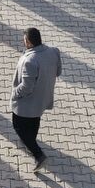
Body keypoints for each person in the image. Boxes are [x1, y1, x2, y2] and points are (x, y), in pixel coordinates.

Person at [11, 27, 62, 173]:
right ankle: (30, 140)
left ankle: (38, 154)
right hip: (42, 99)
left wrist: (15, 93)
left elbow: (26, 87)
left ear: (28, 42)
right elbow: (58, 72)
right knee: (34, 120)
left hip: (26, 103)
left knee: (18, 126)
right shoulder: (54, 51)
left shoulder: (30, 61)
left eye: (24, 40)